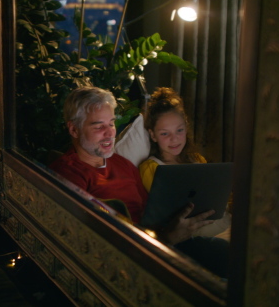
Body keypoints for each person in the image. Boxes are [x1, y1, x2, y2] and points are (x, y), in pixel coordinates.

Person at [49, 86, 229, 277]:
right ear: (74, 129)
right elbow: (90, 243)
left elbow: (148, 213)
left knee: (227, 254)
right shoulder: (68, 173)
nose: (110, 133)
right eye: (98, 126)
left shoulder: (122, 164)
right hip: (130, 260)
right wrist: (166, 238)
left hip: (159, 243)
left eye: (111, 124)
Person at [139, 87, 232, 240]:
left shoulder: (196, 159)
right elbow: (168, 212)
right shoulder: (151, 168)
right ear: (153, 135)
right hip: (195, 234)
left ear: (186, 128)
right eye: (164, 133)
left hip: (223, 222)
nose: (174, 139)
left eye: (179, 130)